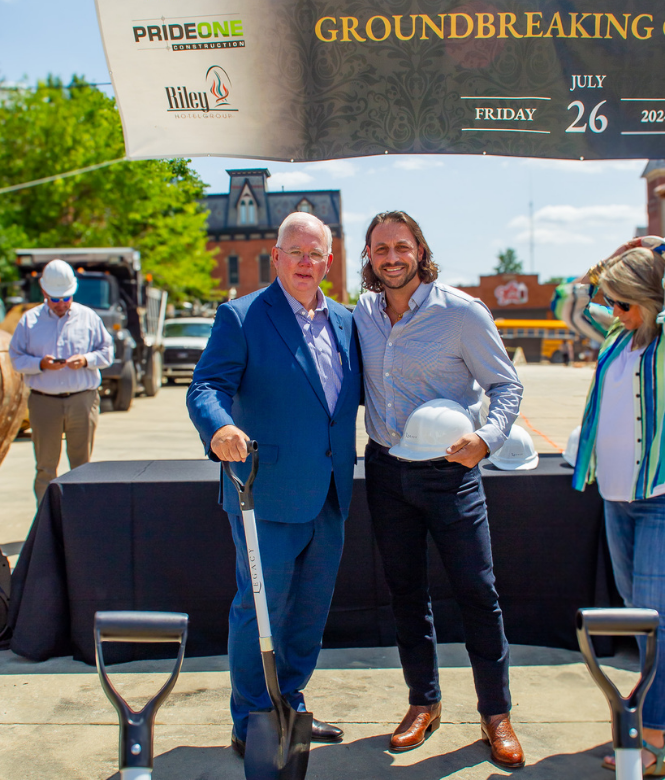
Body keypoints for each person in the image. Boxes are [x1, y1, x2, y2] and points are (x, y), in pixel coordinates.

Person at [353, 210, 525, 768]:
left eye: (401, 247)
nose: (392, 258)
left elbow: (505, 384)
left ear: (420, 251)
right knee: (406, 595)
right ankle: (423, 703)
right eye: (381, 249)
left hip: (451, 473)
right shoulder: (364, 313)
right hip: (384, 470)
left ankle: (495, 713)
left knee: (478, 593)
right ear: (369, 257)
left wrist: (488, 437)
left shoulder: (460, 313)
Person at [186, 212, 362, 756]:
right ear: (276, 255)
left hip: (331, 491)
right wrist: (221, 426)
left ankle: (291, 702)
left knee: (310, 606)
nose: (306, 263)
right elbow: (206, 386)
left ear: (329, 262)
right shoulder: (242, 317)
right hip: (265, 489)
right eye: (297, 253)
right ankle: (254, 721)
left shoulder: (347, 321)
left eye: (316, 255)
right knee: (259, 607)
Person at [554, 235, 665, 775]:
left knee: (656, 621)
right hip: (616, 497)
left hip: (660, 500)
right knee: (636, 612)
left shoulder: (663, 338)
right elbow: (565, 300)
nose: (613, 311)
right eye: (612, 302)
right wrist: (605, 264)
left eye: (624, 301)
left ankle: (656, 739)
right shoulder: (619, 336)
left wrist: (657, 247)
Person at [9, 260, 113, 504]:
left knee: (81, 466)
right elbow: (16, 359)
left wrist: (86, 360)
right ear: (44, 293)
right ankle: (48, 528)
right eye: (55, 299)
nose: (61, 304)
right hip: (44, 403)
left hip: (82, 401)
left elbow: (107, 353)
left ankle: (80, 520)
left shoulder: (88, 317)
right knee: (45, 467)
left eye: (65, 298)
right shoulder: (29, 321)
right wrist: (40, 364)